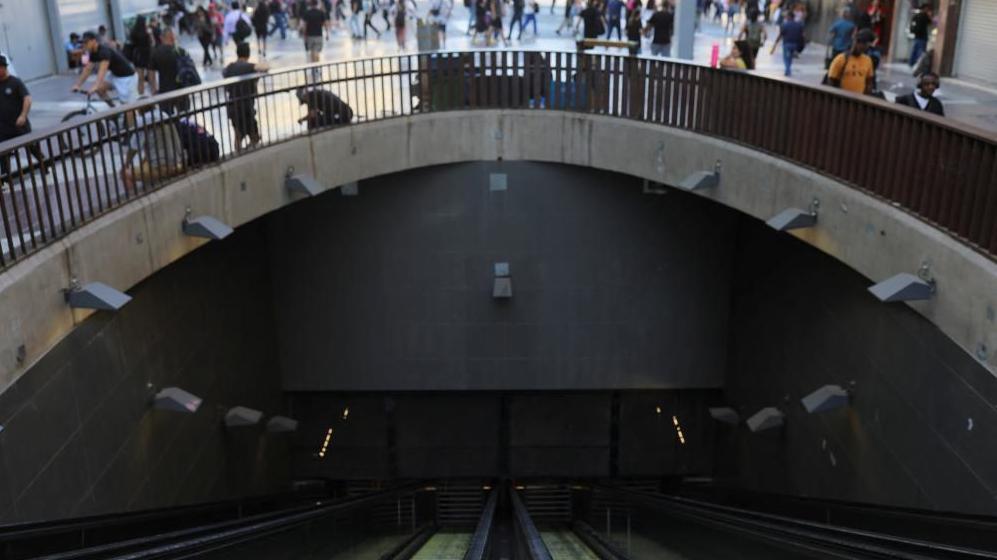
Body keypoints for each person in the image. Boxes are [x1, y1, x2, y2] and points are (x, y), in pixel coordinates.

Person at [0, 55, 46, 188]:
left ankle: (46, 166)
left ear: (3, 68)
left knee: (32, 147)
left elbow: (27, 99)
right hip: (3, 128)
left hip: (19, 126)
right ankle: (5, 178)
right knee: (3, 154)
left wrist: (23, 115)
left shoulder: (15, 82)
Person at [120, 106, 185, 191]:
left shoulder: (143, 120)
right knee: (143, 162)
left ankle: (134, 197)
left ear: (139, 110)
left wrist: (126, 163)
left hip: (162, 167)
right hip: (178, 163)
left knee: (125, 173)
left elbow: (134, 148)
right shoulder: (163, 114)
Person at [223, 42, 269, 150]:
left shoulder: (230, 67)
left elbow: (224, 73)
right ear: (248, 54)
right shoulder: (250, 67)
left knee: (238, 135)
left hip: (233, 107)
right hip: (246, 108)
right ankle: (249, 152)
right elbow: (266, 67)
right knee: (254, 136)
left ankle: (239, 153)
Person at [72, 30, 138, 104]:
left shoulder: (104, 51)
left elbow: (102, 71)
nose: (84, 45)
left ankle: (140, 107)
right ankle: (115, 111)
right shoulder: (93, 52)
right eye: (83, 43)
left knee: (128, 109)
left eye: (86, 42)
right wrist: (77, 85)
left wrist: (96, 85)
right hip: (115, 75)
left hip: (127, 78)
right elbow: (87, 69)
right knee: (100, 89)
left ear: (93, 41)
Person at [148, 27, 192, 114]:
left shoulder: (156, 52)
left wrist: (154, 89)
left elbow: (151, 74)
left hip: (165, 91)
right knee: (184, 115)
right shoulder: (180, 51)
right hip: (181, 90)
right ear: (173, 37)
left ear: (161, 37)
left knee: (167, 117)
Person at [827, 28, 875, 94]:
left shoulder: (868, 60)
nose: (864, 49)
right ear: (856, 42)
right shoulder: (841, 59)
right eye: (862, 45)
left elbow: (869, 81)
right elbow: (831, 79)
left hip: (859, 100)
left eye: (866, 47)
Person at [770, 9, 804, 76]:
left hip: (787, 44)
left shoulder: (785, 25)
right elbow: (802, 35)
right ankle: (788, 69)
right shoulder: (799, 25)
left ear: (789, 17)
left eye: (786, 16)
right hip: (795, 44)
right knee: (790, 57)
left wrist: (775, 43)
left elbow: (780, 35)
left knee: (786, 58)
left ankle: (787, 70)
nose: (785, 17)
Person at [129, 15, 154, 95]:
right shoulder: (147, 32)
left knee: (140, 78)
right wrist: (150, 34)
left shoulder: (133, 32)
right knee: (151, 76)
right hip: (148, 54)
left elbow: (132, 43)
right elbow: (153, 43)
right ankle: (153, 93)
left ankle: (141, 95)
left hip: (138, 55)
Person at [909, 3, 932, 67]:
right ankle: (918, 64)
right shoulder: (924, 16)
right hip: (922, 36)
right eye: (927, 9)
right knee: (920, 51)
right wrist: (929, 15)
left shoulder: (916, 15)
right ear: (925, 8)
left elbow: (912, 23)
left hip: (917, 36)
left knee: (915, 50)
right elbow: (930, 22)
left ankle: (911, 63)